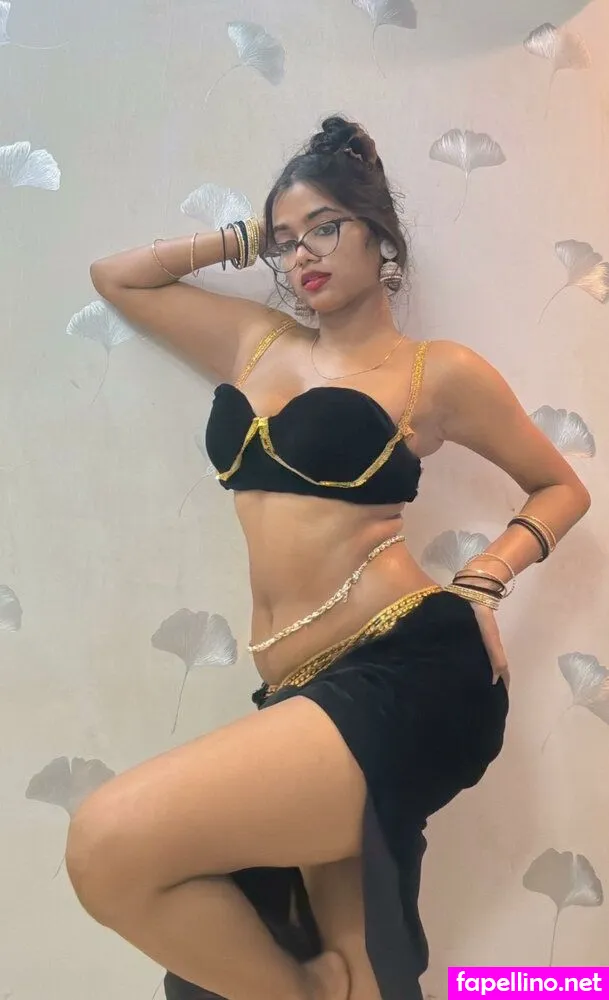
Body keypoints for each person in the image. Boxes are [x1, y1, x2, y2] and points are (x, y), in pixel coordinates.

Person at [64, 117, 590, 1000]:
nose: (303, 253)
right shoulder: (256, 341)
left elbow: (559, 488)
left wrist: (482, 579)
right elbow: (116, 277)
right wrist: (245, 236)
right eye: (287, 239)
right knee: (359, 967)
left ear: (379, 235)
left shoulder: (432, 373)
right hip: (297, 691)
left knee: (107, 842)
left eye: (325, 227)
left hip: (408, 669)